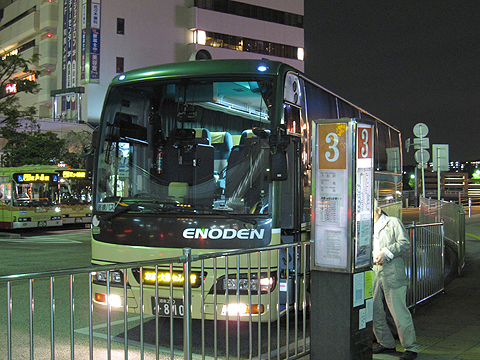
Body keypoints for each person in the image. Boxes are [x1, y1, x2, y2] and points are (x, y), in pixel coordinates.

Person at [372, 199, 418, 360]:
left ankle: (410, 347)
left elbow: (405, 243)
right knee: (375, 311)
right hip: (373, 272)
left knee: (399, 311)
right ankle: (385, 343)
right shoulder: (365, 226)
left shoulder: (393, 222)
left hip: (392, 272)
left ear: (378, 210)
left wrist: (386, 252)